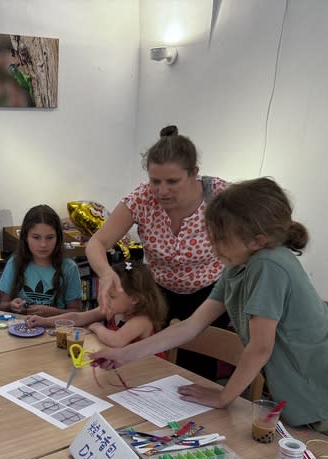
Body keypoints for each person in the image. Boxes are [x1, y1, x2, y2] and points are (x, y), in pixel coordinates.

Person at [91, 178, 328, 459]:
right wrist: (125, 354)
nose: (212, 245)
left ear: (258, 239)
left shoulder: (270, 265)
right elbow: (190, 326)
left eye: (220, 237)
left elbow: (260, 347)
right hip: (321, 406)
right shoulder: (237, 267)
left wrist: (224, 397)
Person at [85, 125, 229, 377]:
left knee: (194, 371)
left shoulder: (219, 194)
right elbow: (96, 243)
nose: (162, 191)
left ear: (194, 173)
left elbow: (266, 219)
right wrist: (106, 273)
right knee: (149, 367)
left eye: (173, 182)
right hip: (158, 293)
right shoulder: (141, 199)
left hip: (208, 294)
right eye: (155, 181)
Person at [27, 261, 167, 353]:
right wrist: (44, 321)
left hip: (147, 375)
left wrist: (96, 327)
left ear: (135, 299)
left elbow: (116, 340)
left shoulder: (142, 320)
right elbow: (78, 317)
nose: (105, 300)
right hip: (123, 369)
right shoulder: (115, 309)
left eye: (111, 296)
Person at [0, 204, 82, 316]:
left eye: (50, 237)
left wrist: (52, 313)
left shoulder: (69, 267)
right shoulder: (15, 263)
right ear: (25, 237)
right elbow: (2, 305)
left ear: (58, 238)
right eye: (36, 237)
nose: (43, 244)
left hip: (55, 329)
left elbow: (76, 312)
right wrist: (12, 305)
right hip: (22, 328)